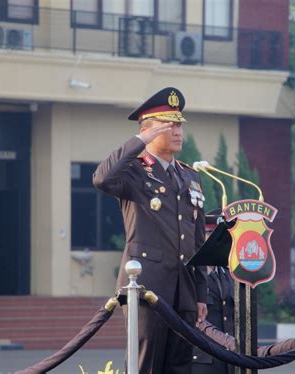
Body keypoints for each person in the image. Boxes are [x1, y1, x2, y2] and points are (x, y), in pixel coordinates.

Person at [93, 87, 208, 373]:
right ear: (148, 131)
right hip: (147, 287)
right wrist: (139, 141)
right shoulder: (134, 172)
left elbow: (197, 241)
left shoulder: (189, 176)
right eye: (168, 125)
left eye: (179, 124)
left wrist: (201, 294)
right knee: (147, 365)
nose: (178, 130)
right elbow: (102, 178)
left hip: (184, 291)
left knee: (180, 366)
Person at [192, 211, 235, 374]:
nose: (215, 241)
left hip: (228, 357)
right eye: (209, 234)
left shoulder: (227, 274)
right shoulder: (191, 275)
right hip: (202, 358)